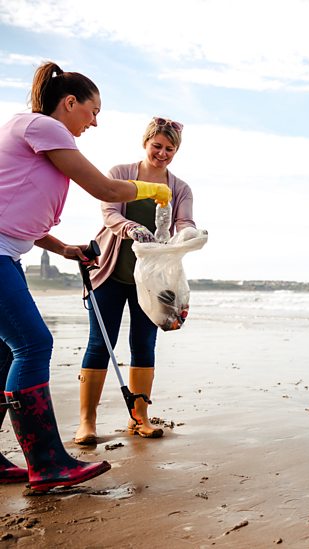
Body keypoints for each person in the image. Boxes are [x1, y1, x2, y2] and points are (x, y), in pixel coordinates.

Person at [0, 61, 171, 491]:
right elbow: (107, 190)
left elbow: (20, 216)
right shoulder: (44, 126)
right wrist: (156, 190)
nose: (95, 121)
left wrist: (63, 248)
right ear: (70, 103)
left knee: (6, 352)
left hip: (9, 253)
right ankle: (47, 462)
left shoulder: (36, 133)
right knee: (34, 343)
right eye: (92, 111)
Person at [72, 117, 195, 445]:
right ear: (146, 143)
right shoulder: (120, 173)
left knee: (144, 344)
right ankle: (87, 421)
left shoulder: (179, 188)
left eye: (170, 148)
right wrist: (131, 228)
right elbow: (110, 213)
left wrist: (190, 234)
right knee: (101, 344)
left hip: (151, 281)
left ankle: (138, 418)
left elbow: (184, 221)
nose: (162, 153)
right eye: (157, 146)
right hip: (110, 272)